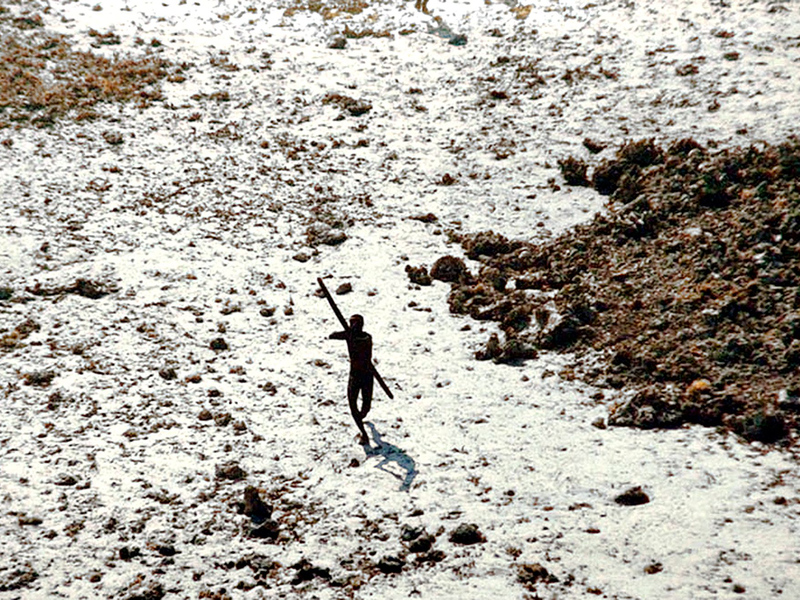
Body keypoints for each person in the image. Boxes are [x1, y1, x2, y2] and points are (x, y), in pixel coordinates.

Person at [329, 314, 374, 444]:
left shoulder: (366, 338)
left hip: (367, 375)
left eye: (356, 324)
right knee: (352, 403)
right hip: (354, 375)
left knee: (366, 406)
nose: (353, 326)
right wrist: (345, 334)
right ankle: (363, 433)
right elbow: (333, 335)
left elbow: (361, 343)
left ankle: (360, 417)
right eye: (351, 324)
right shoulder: (349, 335)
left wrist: (348, 334)